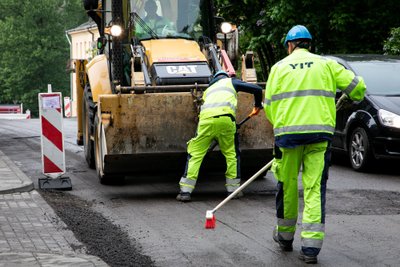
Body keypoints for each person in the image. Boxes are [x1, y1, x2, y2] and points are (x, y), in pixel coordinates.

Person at [264, 25, 366, 264]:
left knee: (286, 186)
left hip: (287, 139)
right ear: (310, 44)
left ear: (290, 45)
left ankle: (285, 238)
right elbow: (358, 88)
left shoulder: (278, 68)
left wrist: (283, 125)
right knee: (313, 190)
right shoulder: (327, 65)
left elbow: (269, 106)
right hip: (319, 137)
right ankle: (310, 249)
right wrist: (350, 97)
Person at [176, 70, 263, 202]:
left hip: (205, 123)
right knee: (231, 154)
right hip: (226, 121)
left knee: (195, 155)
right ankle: (233, 190)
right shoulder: (230, 82)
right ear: (226, 77)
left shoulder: (208, 90)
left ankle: (185, 192)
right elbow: (257, 89)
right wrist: (257, 106)